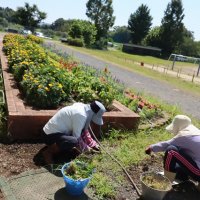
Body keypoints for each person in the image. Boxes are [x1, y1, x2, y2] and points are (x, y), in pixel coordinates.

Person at [145, 115, 200, 188]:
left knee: (171, 151)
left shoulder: (184, 136)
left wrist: (151, 148)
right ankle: (183, 176)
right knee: (177, 164)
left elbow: (166, 145)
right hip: (197, 168)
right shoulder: (196, 133)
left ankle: (165, 183)